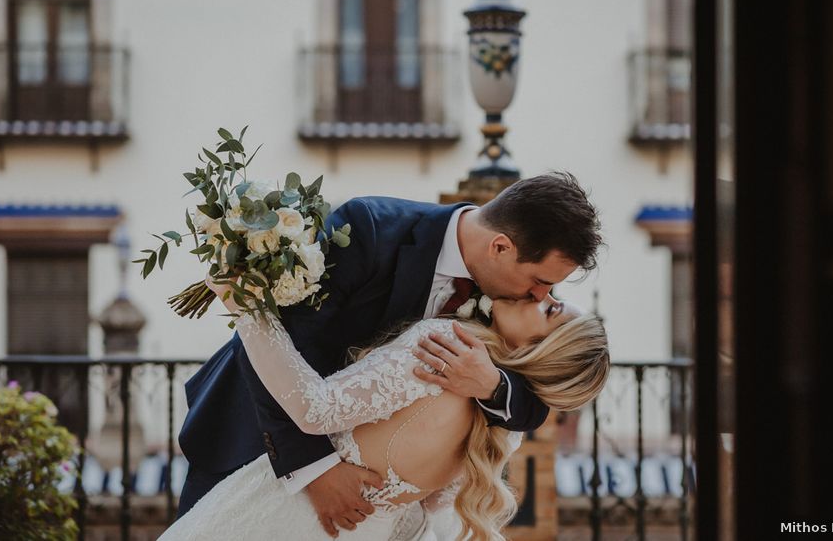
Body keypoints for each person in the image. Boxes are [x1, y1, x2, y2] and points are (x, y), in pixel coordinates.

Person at [176, 172, 604, 536]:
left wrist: (490, 383)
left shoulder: (510, 305)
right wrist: (315, 469)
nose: (542, 295)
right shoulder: (370, 231)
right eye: (540, 281)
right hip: (252, 440)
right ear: (500, 247)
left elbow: (533, 400)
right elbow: (283, 341)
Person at [161, 280, 610, 540]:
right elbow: (433, 504)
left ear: (542, 348)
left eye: (550, 308)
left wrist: (248, 306)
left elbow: (317, 409)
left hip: (273, 520)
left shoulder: (444, 345)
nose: (538, 294)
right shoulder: (503, 427)